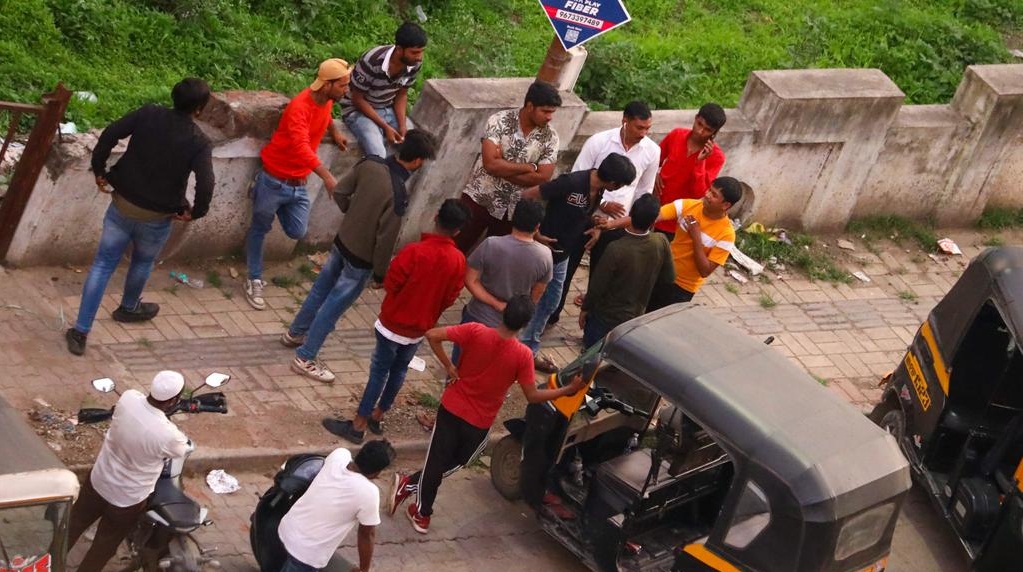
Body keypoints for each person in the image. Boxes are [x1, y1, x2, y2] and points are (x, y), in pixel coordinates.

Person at [387, 296, 586, 534]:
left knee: (439, 461)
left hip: (453, 407)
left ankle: (410, 486)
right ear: (525, 324)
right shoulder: (522, 356)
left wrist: (449, 366)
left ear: (503, 312)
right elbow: (532, 396)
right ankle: (422, 511)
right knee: (451, 461)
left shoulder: (475, 331)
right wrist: (568, 390)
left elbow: (432, 335)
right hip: (479, 419)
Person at [65, 78, 214, 356]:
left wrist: (99, 169)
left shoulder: (149, 114)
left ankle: (81, 332)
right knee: (143, 260)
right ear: (199, 109)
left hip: (122, 205)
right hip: (158, 216)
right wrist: (195, 213)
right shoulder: (199, 142)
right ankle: (129, 307)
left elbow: (110, 133)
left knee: (102, 265)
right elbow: (206, 183)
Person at [282, 130, 438, 383]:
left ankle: (295, 333)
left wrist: (352, 213)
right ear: (418, 161)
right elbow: (385, 241)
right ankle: (306, 357)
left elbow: (341, 192)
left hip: (341, 243)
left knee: (320, 290)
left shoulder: (370, 164)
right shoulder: (398, 195)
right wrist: (380, 274)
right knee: (333, 307)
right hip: (361, 260)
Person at [323, 199, 470, 444]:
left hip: (392, 324)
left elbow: (392, 283)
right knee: (399, 370)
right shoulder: (458, 260)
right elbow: (451, 296)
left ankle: (358, 425)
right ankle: (378, 415)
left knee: (379, 372)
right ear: (458, 230)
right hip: (420, 328)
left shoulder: (414, 251)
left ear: (436, 217)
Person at [244, 58, 352, 311]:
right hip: (274, 178)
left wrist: (335, 133)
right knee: (260, 227)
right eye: (343, 86)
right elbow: (301, 146)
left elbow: (326, 117)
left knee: (297, 231)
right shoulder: (299, 108)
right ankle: (254, 277)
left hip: (297, 183)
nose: (346, 90)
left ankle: (268, 199)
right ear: (327, 85)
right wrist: (326, 175)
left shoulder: (325, 101)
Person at [518, 153, 636, 372]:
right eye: (619, 184)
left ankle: (527, 348)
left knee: (550, 302)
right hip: (541, 252)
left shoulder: (598, 190)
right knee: (524, 300)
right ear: (613, 181)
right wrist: (534, 233)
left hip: (563, 254)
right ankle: (513, 346)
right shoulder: (571, 182)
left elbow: (579, 214)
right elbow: (528, 196)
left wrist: (595, 225)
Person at [549, 100, 659, 325]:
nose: (644, 133)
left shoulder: (652, 150)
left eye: (648, 128)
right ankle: (552, 313)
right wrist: (602, 204)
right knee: (567, 267)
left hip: (617, 224)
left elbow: (643, 191)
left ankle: (593, 322)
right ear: (625, 121)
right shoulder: (599, 142)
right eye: (639, 127)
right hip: (585, 216)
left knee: (606, 275)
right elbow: (578, 178)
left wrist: (628, 221)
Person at [67, 371, 190, 572]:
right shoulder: (169, 435)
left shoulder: (128, 398)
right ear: (173, 400)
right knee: (104, 545)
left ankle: (48, 563)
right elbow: (181, 450)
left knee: (73, 525)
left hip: (99, 481)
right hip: (126, 499)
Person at [455, 82, 561, 253]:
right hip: (480, 197)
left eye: (552, 112)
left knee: (494, 261)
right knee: (455, 247)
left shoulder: (551, 137)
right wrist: (529, 167)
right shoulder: (500, 121)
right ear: (530, 106)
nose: (550, 117)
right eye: (545, 111)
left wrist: (501, 166)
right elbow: (490, 164)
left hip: (513, 210)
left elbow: (543, 177)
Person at [605, 177, 741, 309]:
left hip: (682, 288)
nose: (707, 195)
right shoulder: (687, 205)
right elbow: (645, 217)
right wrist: (609, 224)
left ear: (726, 205)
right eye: (709, 190)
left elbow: (705, 271)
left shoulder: (727, 235)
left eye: (714, 195)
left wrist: (696, 236)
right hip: (659, 272)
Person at [452, 199, 551, 367]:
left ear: (513, 218)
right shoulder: (544, 256)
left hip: (477, 315)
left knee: (459, 366)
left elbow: (470, 280)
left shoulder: (491, 244)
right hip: (510, 326)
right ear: (537, 226)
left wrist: (496, 303)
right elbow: (536, 294)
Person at [277, 441, 395, 572]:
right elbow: (367, 535)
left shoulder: (339, 454)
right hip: (306, 554)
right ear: (375, 473)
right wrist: (364, 570)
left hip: (287, 527)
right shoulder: (369, 492)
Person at [580, 194, 675, 347]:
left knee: (591, 357)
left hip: (605, 316)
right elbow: (669, 278)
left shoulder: (616, 249)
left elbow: (597, 286)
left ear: (630, 214)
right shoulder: (661, 241)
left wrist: (585, 309)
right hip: (635, 317)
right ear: (653, 221)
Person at [341, 22, 426, 158]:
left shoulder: (414, 64)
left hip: (386, 108)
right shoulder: (372, 61)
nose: (419, 57)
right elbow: (357, 99)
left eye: (422, 51)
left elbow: (402, 95)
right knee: (378, 154)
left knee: (415, 145)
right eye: (414, 52)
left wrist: (402, 126)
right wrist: (385, 127)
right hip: (358, 111)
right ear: (399, 49)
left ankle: (393, 177)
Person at [654, 103, 727, 238]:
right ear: (695, 118)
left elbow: (699, 192)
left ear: (714, 133)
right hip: (655, 205)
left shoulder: (717, 157)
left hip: (678, 220)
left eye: (707, 130)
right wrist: (654, 174)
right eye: (699, 124)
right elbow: (653, 160)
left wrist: (700, 162)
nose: (700, 131)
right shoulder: (676, 135)